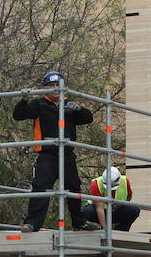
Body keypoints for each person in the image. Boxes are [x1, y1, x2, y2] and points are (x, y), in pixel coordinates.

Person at [12, 71, 94, 232]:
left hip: (67, 154)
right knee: (40, 187)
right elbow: (19, 115)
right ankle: (32, 223)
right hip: (47, 154)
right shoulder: (39, 104)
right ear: (45, 88)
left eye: (58, 85)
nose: (55, 89)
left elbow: (88, 118)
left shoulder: (69, 104)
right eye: (51, 86)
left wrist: (79, 110)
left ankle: (80, 222)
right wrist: (23, 100)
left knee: (74, 188)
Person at [80, 166, 140, 232]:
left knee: (134, 210)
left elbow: (128, 198)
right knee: (88, 211)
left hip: (116, 211)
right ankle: (98, 229)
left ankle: (121, 230)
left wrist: (120, 205)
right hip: (99, 212)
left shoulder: (125, 181)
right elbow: (99, 208)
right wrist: (106, 230)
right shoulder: (96, 184)